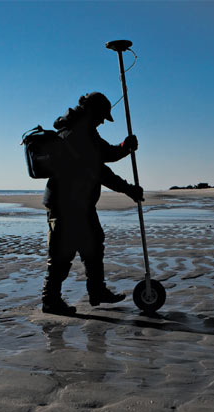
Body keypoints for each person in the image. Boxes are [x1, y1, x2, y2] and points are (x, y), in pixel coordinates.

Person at [41, 92, 143, 315]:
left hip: (81, 202)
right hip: (65, 203)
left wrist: (125, 146)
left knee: (94, 245)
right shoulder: (76, 134)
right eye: (101, 117)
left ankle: (97, 291)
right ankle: (50, 301)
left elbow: (106, 154)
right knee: (62, 253)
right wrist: (129, 189)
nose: (102, 122)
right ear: (92, 112)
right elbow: (100, 171)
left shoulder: (86, 131)